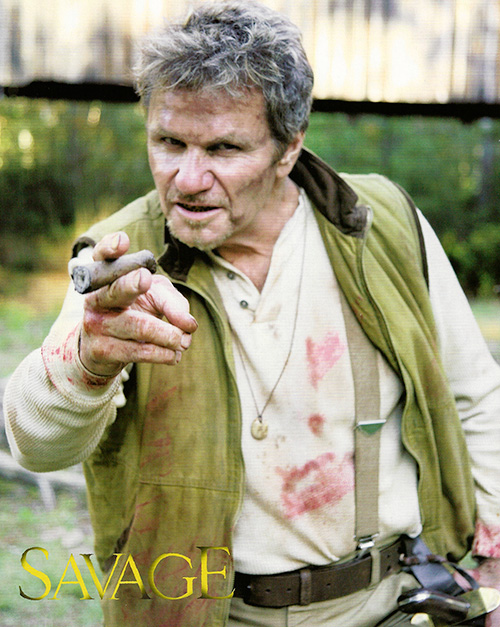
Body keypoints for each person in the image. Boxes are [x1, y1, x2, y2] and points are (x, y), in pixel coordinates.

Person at [4, 1, 500, 625]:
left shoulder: (381, 225)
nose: (188, 178)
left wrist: (495, 563)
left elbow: (475, 397)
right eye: (169, 142)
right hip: (198, 613)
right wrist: (88, 361)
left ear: (289, 148)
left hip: (386, 605)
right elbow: (35, 445)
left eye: (224, 148)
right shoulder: (119, 262)